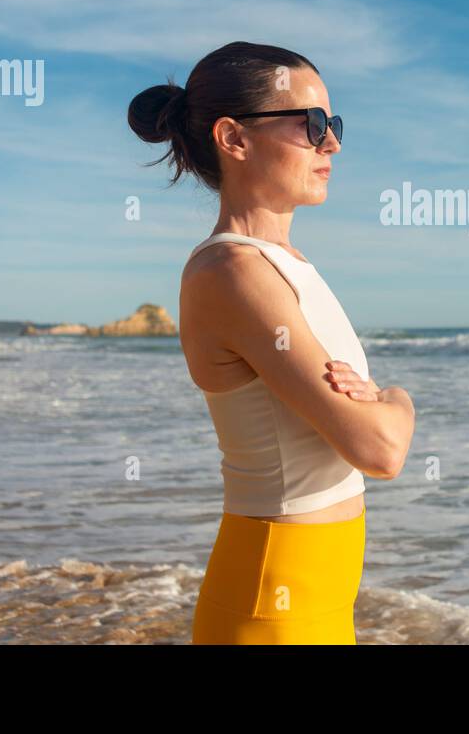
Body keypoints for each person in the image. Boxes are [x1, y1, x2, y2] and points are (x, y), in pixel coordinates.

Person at [127, 41, 416, 643]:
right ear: (234, 138)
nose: (330, 143)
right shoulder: (234, 272)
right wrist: (398, 397)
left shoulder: (284, 263)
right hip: (272, 607)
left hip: (317, 596)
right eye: (311, 124)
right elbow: (379, 448)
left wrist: (380, 407)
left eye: (332, 124)